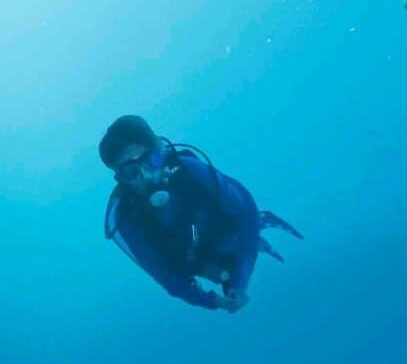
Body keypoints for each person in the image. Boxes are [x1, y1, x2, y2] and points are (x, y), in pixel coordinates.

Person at [100, 115, 301, 312]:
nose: (146, 175)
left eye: (151, 161)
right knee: (215, 269)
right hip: (195, 259)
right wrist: (211, 301)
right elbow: (165, 276)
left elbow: (246, 212)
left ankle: (242, 253)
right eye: (131, 171)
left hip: (221, 232)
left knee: (238, 246)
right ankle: (227, 265)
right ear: (120, 176)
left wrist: (239, 282)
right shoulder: (125, 216)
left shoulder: (190, 170)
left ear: (159, 153)